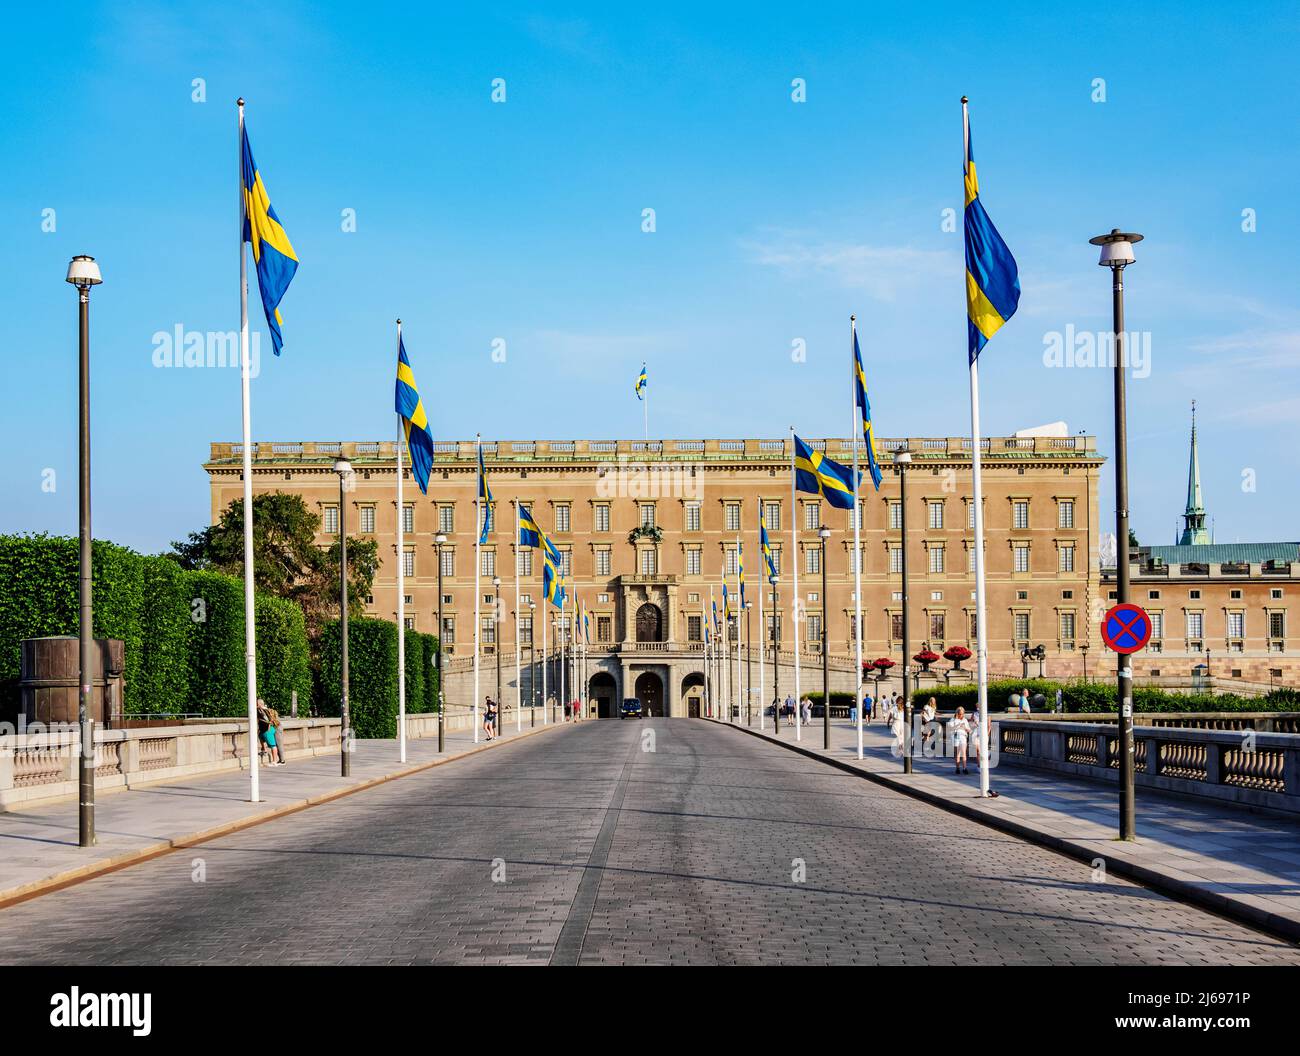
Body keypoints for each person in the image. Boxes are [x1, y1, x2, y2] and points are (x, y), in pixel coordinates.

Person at [949, 705, 971, 775]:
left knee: (964, 753)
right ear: (957, 713)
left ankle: (964, 768)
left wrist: (965, 727)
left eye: (962, 714)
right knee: (957, 753)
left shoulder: (965, 720)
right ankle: (957, 768)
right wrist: (958, 725)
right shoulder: (953, 720)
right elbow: (950, 728)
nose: (961, 715)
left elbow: (969, 730)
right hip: (956, 736)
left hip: (963, 736)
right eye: (960, 714)